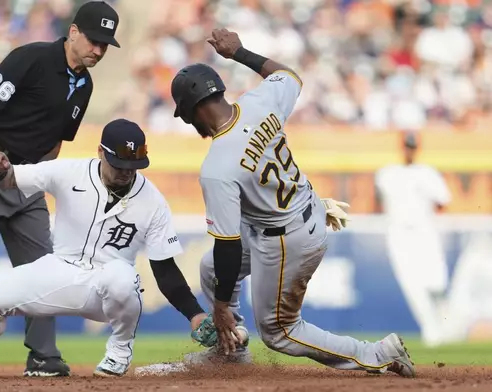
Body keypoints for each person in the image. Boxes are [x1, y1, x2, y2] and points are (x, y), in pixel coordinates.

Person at [170, 28, 416, 378]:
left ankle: (377, 354)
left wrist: (221, 308)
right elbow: (289, 76)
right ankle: (232, 352)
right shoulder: (259, 102)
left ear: (193, 111)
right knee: (210, 269)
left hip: (286, 237)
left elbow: (227, 245)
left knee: (279, 331)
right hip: (302, 209)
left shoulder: (216, 167)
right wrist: (239, 52)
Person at [0, 119, 209, 378]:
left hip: (106, 290)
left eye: (132, 166)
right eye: (118, 163)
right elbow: (11, 178)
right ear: (100, 151)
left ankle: (119, 350)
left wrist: (195, 313)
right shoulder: (71, 172)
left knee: (121, 276)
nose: (126, 172)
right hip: (60, 271)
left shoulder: (153, 201)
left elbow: (164, 268)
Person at [0, 0, 122, 377]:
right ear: (73, 32)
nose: (99, 50)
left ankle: (43, 355)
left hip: (27, 176)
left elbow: (56, 141)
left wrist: (40, 179)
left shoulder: (84, 86)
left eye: (105, 45)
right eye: (94, 40)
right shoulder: (33, 57)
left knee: (45, 268)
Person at [375, 132, 452, 347]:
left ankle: (445, 324)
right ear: (402, 147)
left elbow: (443, 202)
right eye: (407, 145)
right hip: (399, 235)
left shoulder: (427, 173)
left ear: (417, 148)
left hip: (424, 232)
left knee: (436, 282)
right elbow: (378, 201)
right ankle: (432, 331)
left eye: (412, 146)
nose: (410, 149)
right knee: (412, 287)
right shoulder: (387, 174)